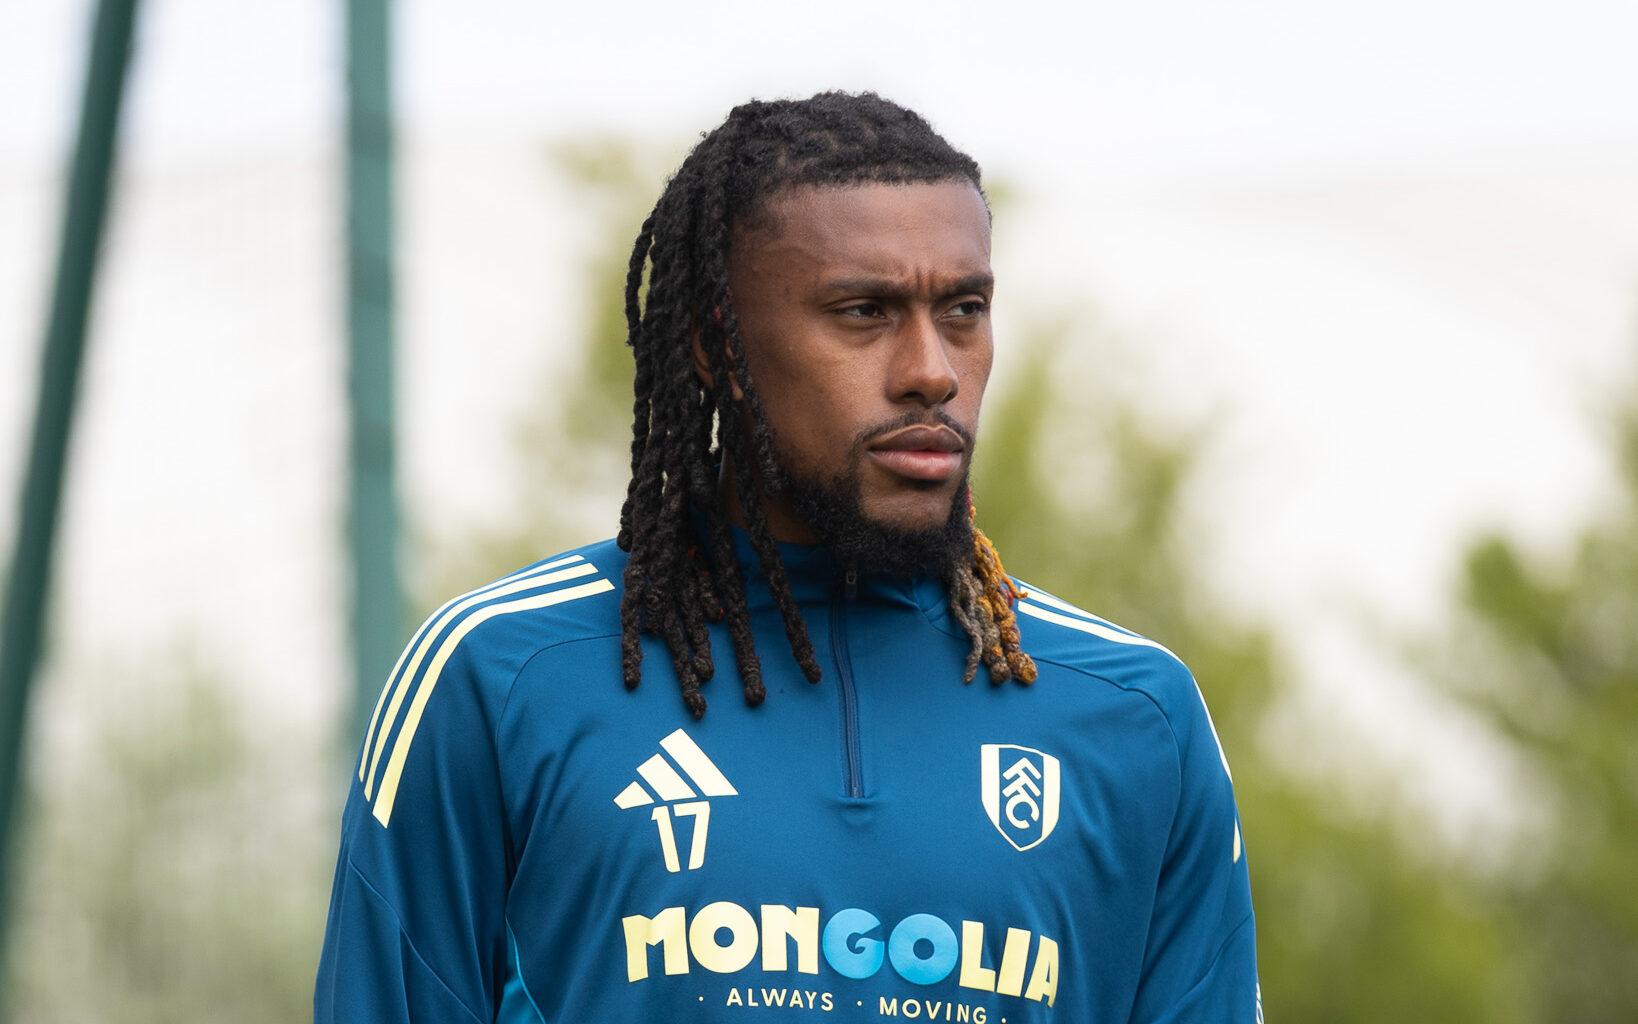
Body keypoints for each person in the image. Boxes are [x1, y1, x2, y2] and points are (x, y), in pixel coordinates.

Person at [314, 89, 1260, 1023]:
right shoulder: (503, 676)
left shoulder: (1137, 716)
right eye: (865, 311)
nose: (931, 371)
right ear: (715, 346)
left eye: (964, 309)